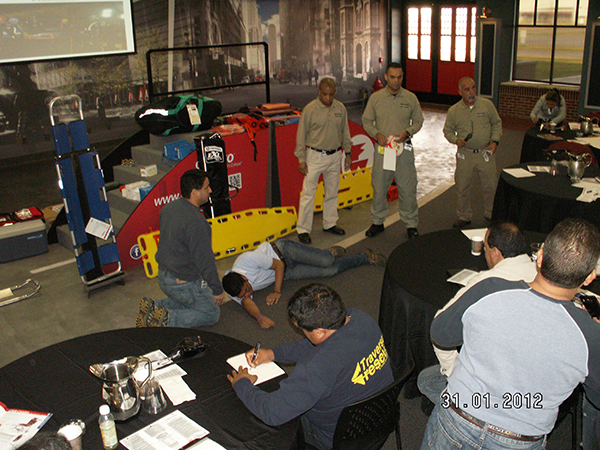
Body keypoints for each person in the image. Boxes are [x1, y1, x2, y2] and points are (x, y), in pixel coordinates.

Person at [420, 218, 600, 450]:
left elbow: (441, 333)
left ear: (540, 257)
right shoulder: (590, 335)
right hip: (520, 439)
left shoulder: (489, 288)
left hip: (458, 418)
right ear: (590, 277)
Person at [227, 283, 394, 450]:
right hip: (381, 417)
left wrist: (242, 384)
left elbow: (272, 412)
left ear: (320, 332)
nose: (304, 335)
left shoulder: (315, 368)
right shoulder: (360, 318)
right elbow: (318, 345)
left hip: (340, 439)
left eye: (304, 331)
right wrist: (273, 353)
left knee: (269, 424)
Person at [417, 221, 538, 405]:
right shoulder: (545, 277)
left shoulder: (486, 282)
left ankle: (468, 411)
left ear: (496, 253)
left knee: (426, 381)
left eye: (486, 248)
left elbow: (440, 329)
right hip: (531, 379)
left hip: (492, 380)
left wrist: (453, 372)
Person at [222, 241, 385, 329]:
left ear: (244, 277)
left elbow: (278, 265)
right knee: (331, 271)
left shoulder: (246, 260)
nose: (248, 294)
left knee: (326, 261)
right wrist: (259, 317)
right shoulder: (233, 288)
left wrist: (277, 291)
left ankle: (327, 254)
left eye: (247, 289)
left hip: (283, 252)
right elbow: (246, 302)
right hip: (287, 274)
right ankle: (365, 257)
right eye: (243, 294)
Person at [136, 169, 225, 328]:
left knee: (189, 301)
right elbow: (206, 261)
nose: (210, 190)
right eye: (206, 187)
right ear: (195, 193)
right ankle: (167, 320)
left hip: (164, 276)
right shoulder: (197, 223)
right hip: (182, 282)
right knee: (211, 313)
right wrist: (217, 290)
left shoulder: (168, 208)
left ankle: (155, 308)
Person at [362, 62, 424, 240]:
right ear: (386, 77)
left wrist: (407, 133)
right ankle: (377, 222)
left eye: (399, 77)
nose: (396, 80)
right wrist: (377, 134)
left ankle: (411, 224)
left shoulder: (410, 98)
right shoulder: (376, 98)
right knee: (379, 186)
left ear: (402, 77)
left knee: (407, 188)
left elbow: (419, 121)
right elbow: (366, 121)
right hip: (384, 150)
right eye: (392, 77)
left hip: (404, 150)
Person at [295, 77, 353, 244]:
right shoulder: (310, 110)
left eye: (331, 94)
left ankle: (330, 223)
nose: (328, 98)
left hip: (335, 156)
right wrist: (301, 159)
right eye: (325, 94)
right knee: (308, 194)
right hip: (314, 156)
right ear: (319, 92)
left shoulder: (340, 108)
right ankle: (303, 229)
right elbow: (301, 136)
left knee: (332, 192)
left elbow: (345, 132)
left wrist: (348, 152)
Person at [443, 77, 502, 229]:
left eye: (473, 88)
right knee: (462, 186)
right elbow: (447, 131)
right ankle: (464, 216)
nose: (471, 92)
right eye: (467, 89)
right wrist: (456, 140)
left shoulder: (487, 105)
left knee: (490, 186)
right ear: (460, 92)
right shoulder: (454, 111)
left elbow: (497, 123)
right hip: (465, 154)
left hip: (485, 152)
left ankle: (491, 214)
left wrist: (494, 142)